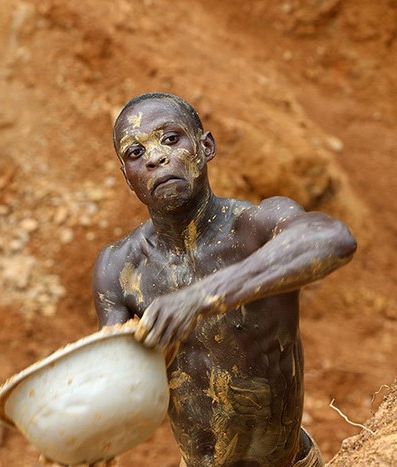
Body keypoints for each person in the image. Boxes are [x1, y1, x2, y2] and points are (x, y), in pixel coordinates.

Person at [92, 93, 357, 466]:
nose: (155, 157)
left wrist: (202, 297)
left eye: (170, 139)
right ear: (127, 178)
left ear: (206, 147)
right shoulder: (119, 269)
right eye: (135, 153)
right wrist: (83, 439)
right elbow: (117, 385)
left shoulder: (257, 227)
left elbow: (333, 240)